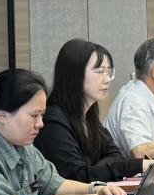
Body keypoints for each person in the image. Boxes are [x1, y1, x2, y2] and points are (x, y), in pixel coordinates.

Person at [0, 68, 129, 195]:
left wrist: (94, 189)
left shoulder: (23, 145)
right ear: (2, 116)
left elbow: (54, 184)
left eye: (42, 115)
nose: (40, 123)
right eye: (34, 115)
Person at [36, 38, 145, 183]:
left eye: (108, 72)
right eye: (100, 71)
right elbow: (77, 177)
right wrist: (130, 166)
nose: (107, 79)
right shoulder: (53, 122)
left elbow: (116, 155)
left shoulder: (88, 115)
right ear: (74, 74)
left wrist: (93, 170)